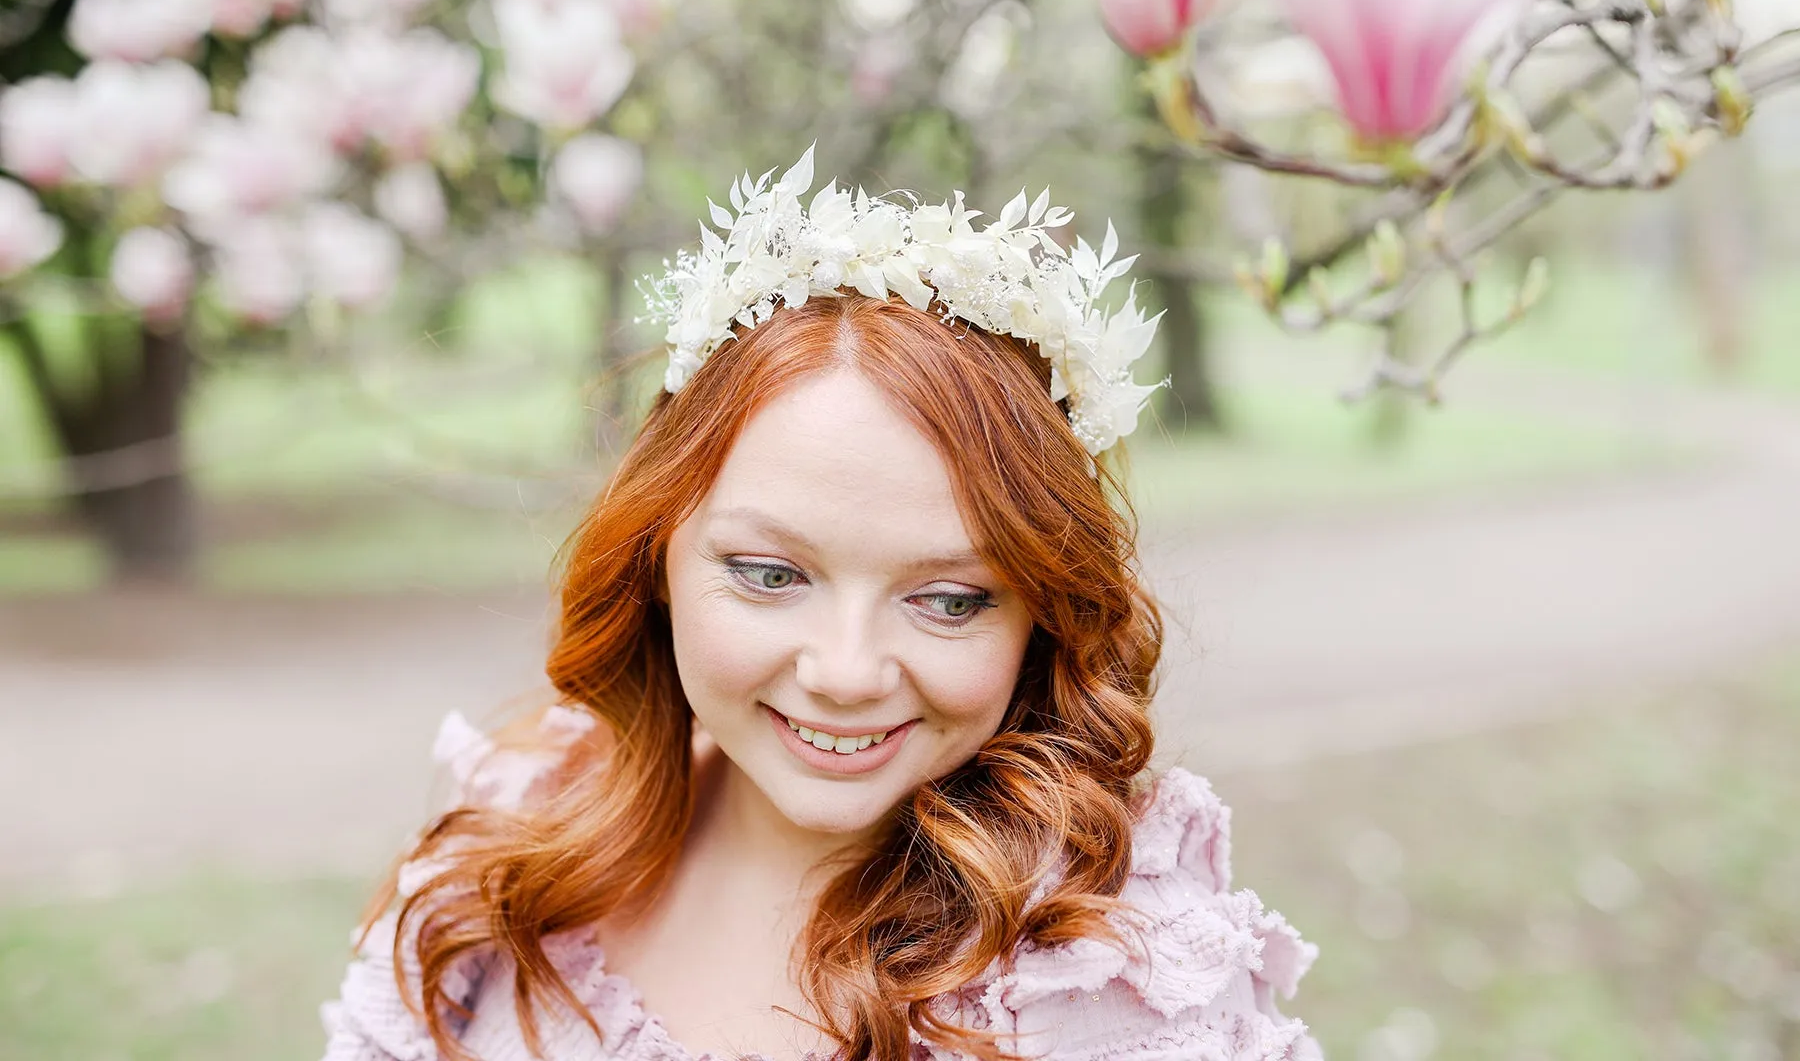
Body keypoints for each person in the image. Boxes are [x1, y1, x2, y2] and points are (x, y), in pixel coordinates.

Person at [319, 150, 1320, 1061]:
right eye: (769, 576)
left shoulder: (1109, 978)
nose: (845, 672)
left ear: (1044, 616)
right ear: (654, 553)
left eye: (948, 599)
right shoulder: (524, 827)